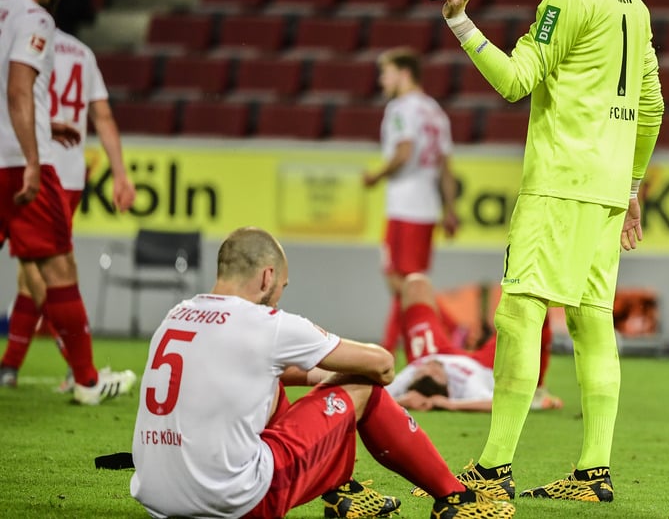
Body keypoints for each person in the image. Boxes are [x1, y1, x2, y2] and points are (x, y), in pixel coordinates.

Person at [437, 0, 664, 503]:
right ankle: (593, 471)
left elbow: (516, 81)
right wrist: (633, 185)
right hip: (606, 191)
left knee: (518, 313)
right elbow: (652, 106)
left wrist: (459, 20)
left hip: (559, 186)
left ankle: (491, 470)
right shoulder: (634, 7)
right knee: (593, 324)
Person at [129, 227, 515, 519]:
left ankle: (344, 492)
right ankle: (454, 500)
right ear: (266, 278)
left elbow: (252, 367)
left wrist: (316, 376)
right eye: (280, 286)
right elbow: (381, 364)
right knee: (362, 385)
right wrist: (339, 374)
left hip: (158, 499)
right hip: (236, 502)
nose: (279, 295)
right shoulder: (267, 324)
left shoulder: (177, 315)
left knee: (275, 383)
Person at [0, 0, 135, 404]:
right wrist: (35, 153)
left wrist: (45, 121)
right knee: (55, 267)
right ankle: (86, 378)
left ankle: (13, 368)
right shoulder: (40, 21)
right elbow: (19, 91)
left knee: (31, 272)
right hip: (20, 163)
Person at [363, 47, 458, 354]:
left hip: (404, 205)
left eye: (386, 72)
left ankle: (399, 345)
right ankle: (402, 343)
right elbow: (446, 166)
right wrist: (450, 210)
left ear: (404, 74)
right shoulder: (435, 111)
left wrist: (376, 176)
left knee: (400, 283)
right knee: (404, 282)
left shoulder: (401, 109)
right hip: (427, 208)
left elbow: (404, 150)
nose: (382, 80)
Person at [386, 273, 562, 413]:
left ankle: (456, 330)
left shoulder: (411, 376)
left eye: (422, 371)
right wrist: (449, 405)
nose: (430, 367)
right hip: (485, 365)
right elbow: (497, 404)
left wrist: (402, 400)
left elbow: (368, 398)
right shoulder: (468, 384)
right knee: (531, 308)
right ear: (449, 386)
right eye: (436, 374)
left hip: (433, 352)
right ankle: (537, 388)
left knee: (415, 284)